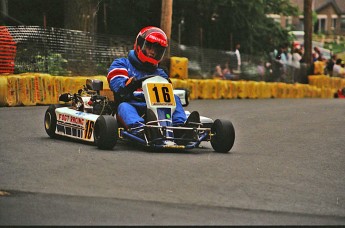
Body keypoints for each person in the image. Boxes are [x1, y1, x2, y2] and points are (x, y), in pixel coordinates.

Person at [106, 26, 200, 138]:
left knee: (175, 98)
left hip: (157, 109)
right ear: (139, 45)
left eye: (157, 50)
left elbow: (167, 95)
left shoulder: (160, 73)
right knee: (124, 107)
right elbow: (118, 88)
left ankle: (180, 128)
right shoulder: (122, 64)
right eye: (149, 47)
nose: (152, 52)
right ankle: (141, 129)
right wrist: (131, 84)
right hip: (133, 104)